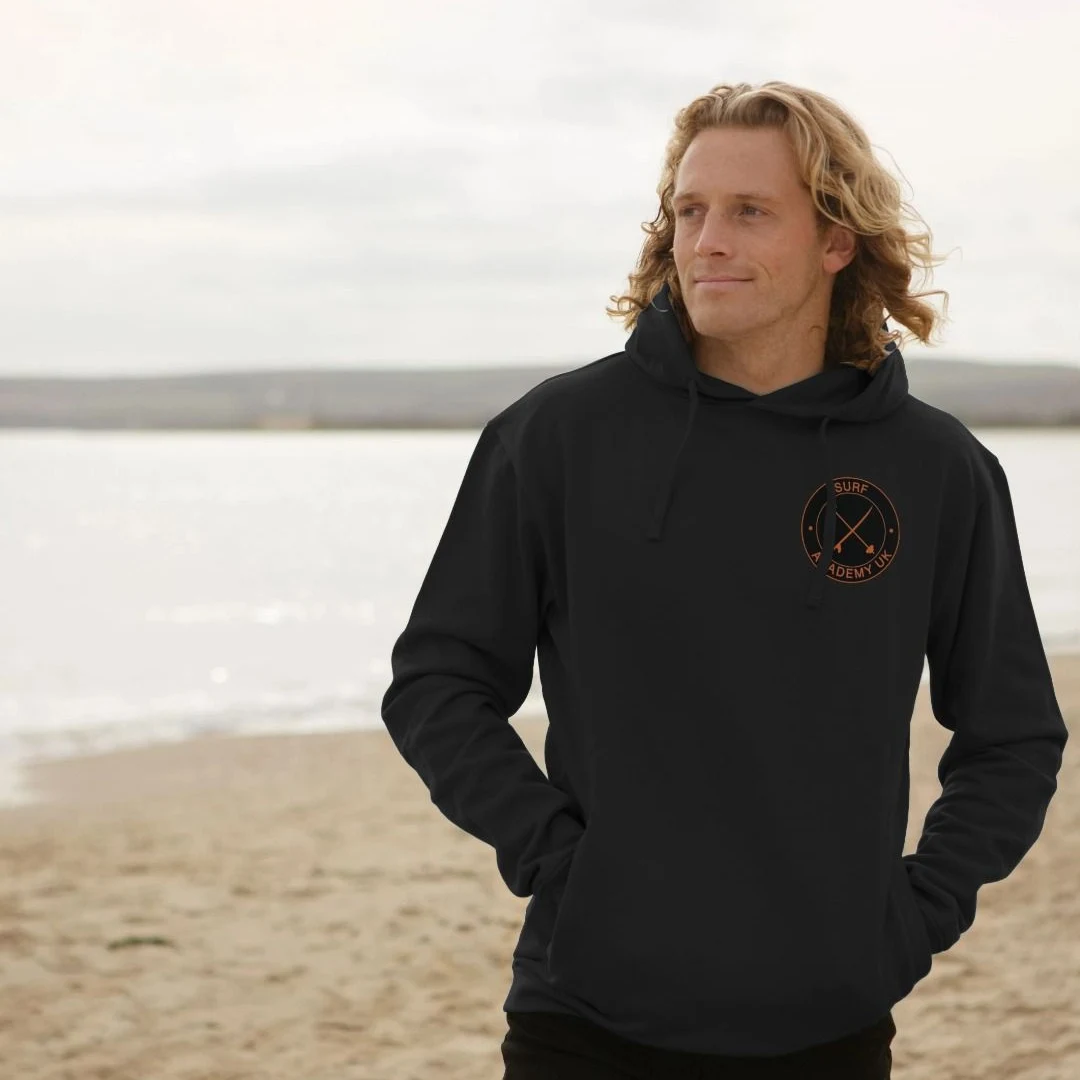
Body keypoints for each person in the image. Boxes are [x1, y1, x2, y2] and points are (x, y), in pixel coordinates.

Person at [380, 80, 1068, 1078]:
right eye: (690, 211)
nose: (706, 241)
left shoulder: (935, 469)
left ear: (836, 241)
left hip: (827, 1028)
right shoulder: (560, 436)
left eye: (750, 212)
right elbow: (437, 682)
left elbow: (1013, 734)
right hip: (588, 1018)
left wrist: (915, 913)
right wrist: (559, 863)